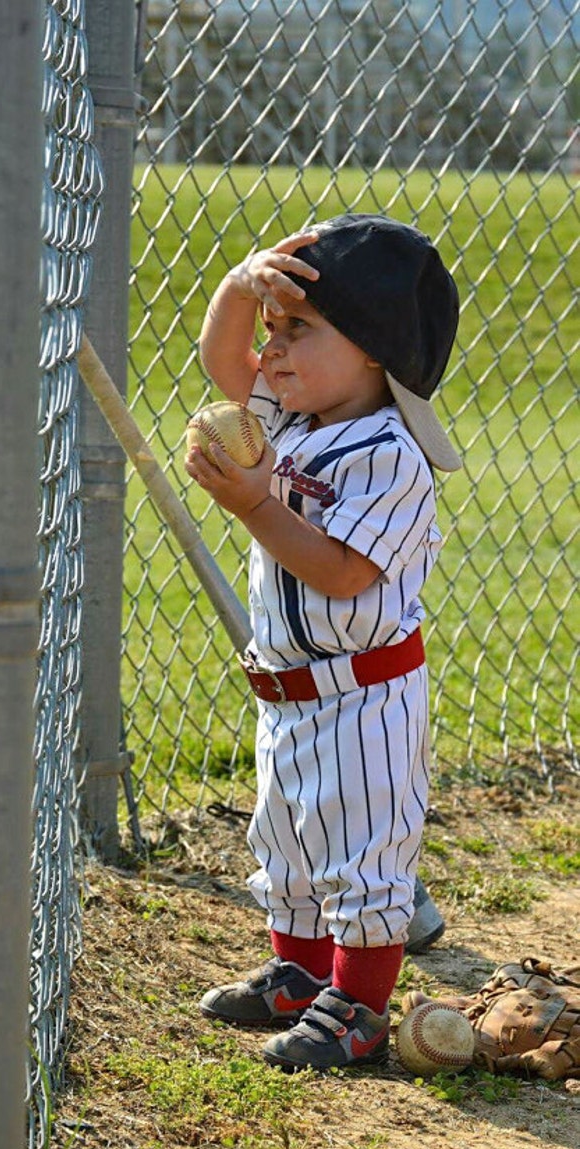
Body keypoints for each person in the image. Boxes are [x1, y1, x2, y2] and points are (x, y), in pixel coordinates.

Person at [185, 213, 460, 1071]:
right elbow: (221, 359)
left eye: (297, 329)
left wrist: (252, 504)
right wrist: (241, 285)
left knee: (364, 859)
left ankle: (360, 1010)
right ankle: (301, 977)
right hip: (290, 690)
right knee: (289, 847)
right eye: (271, 330)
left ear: (374, 349)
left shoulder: (390, 453)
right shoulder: (297, 416)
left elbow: (342, 572)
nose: (270, 351)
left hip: (366, 696)